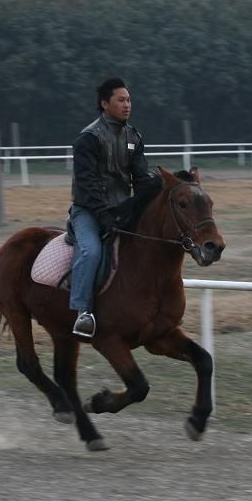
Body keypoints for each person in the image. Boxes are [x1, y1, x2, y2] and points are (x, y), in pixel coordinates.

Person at [68, 77, 161, 338]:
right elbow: (86, 186)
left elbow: (140, 181)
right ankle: (82, 312)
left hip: (122, 212)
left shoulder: (134, 137)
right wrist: (105, 215)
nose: (127, 105)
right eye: (121, 100)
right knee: (92, 252)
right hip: (88, 212)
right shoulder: (88, 138)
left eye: (129, 100)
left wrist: (164, 184)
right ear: (104, 103)